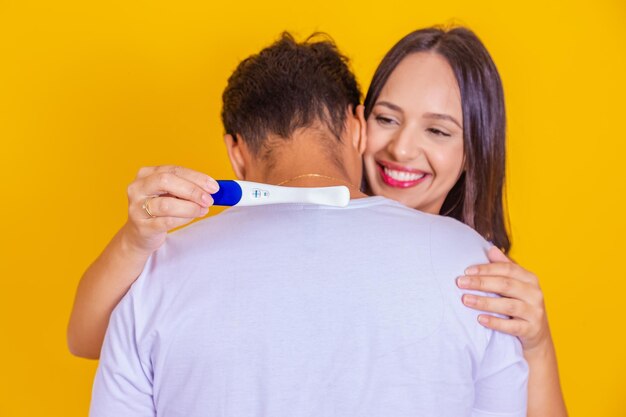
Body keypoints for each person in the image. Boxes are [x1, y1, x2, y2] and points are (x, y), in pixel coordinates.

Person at [71, 27, 565, 415]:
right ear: (356, 124)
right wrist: (137, 242)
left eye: (437, 130)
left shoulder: (493, 282)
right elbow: (92, 336)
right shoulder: (472, 269)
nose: (402, 149)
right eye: (387, 119)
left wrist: (538, 346)